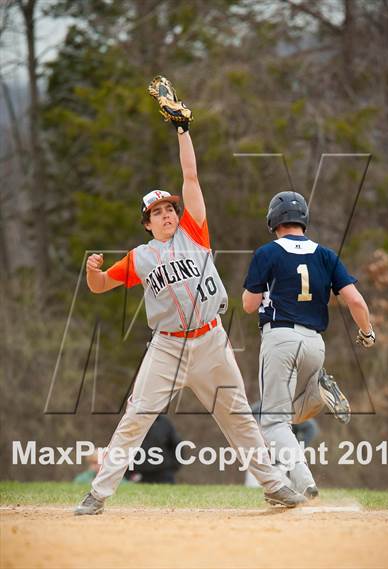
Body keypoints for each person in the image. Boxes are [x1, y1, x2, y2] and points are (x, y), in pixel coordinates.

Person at [75, 78, 306, 515]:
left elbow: (191, 176)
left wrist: (183, 130)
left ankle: (274, 486)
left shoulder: (194, 233)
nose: (165, 214)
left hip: (211, 341)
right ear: (146, 224)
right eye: (156, 212)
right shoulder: (140, 258)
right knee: (137, 417)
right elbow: (101, 286)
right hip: (166, 347)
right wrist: (93, 274)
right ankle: (98, 494)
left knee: (237, 416)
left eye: (168, 209)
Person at [242, 191, 376, 498]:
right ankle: (318, 392)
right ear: (304, 220)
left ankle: (303, 484)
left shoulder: (268, 252)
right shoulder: (326, 255)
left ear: (273, 221)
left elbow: (249, 305)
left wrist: (258, 294)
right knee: (288, 416)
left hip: (280, 338)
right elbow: (355, 300)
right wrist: (367, 333)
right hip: (315, 343)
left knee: (273, 422)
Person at [123, 415, 181, 484]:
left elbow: (177, 445)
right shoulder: (132, 422)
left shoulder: (164, 423)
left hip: (163, 475)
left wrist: (173, 466)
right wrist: (127, 472)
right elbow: (123, 448)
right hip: (138, 475)